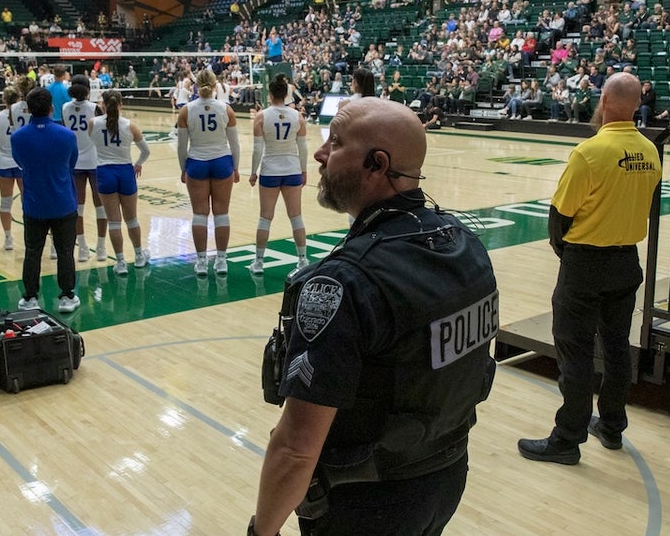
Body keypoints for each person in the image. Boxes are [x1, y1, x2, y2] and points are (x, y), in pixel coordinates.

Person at [252, 98, 498, 536]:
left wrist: (262, 532)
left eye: (336, 142)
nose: (322, 153)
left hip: (364, 505)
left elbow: (294, 449)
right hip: (444, 479)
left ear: (376, 164)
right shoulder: (466, 245)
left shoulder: (344, 282)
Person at [518, 72, 661, 465]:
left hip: (585, 263)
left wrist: (567, 252)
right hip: (626, 261)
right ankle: (612, 426)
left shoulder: (589, 152)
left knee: (575, 351)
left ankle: (567, 439)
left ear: (604, 102)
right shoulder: (650, 150)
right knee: (616, 348)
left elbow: (559, 216)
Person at [10, 88, 80, 313]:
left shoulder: (18, 137)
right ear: (52, 108)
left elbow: (20, 163)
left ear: (28, 109)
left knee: (33, 252)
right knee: (65, 251)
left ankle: (30, 297)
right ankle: (67, 297)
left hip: (34, 205)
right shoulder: (67, 135)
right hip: (63, 203)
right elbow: (72, 163)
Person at [177, 69, 239, 275]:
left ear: (196, 86)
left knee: (199, 215)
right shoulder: (226, 109)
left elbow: (181, 146)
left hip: (197, 162)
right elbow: (235, 144)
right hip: (222, 161)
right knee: (222, 213)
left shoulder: (186, 110)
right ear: (215, 86)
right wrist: (236, 167)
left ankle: (201, 262)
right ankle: (221, 260)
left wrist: (182, 168)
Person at [247, 74, 308, 275]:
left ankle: (258, 262)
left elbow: (257, 149)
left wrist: (253, 172)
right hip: (292, 169)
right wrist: (304, 170)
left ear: (270, 95)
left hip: (270, 170)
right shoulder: (297, 116)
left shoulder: (262, 116)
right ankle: (302, 260)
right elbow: (303, 148)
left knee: (265, 217)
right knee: (296, 217)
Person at [90, 90, 150, 275]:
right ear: (121, 105)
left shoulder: (93, 124)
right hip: (125, 171)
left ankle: (121, 261)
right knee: (131, 218)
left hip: (104, 172)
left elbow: (92, 143)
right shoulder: (130, 126)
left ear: (103, 105)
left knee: (114, 221)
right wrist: (138, 164)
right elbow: (146, 151)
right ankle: (139, 256)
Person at [62, 76, 108, 262]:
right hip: (95, 161)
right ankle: (101, 247)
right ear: (89, 90)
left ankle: (81, 248)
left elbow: (66, 133)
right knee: (100, 207)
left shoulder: (65, 108)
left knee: (78, 208)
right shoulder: (93, 108)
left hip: (74, 162)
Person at [0, 87, 24, 251]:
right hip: (22, 162)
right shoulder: (23, 115)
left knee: (5, 202)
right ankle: (28, 235)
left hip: (4, 162)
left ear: (4, 100)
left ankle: (8, 238)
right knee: (26, 201)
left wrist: (3, 148)